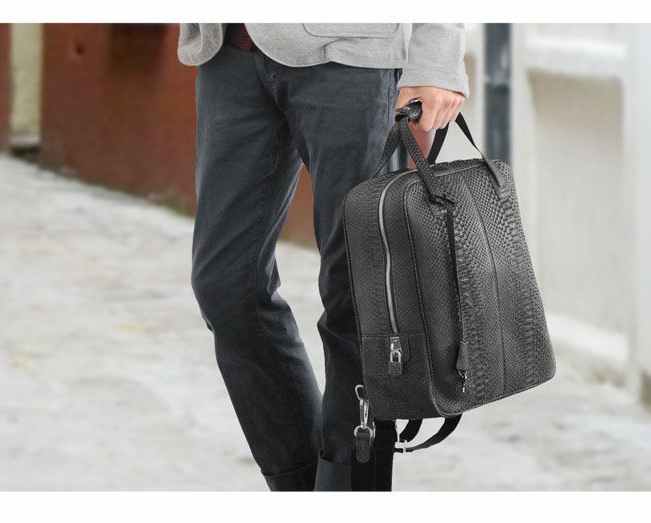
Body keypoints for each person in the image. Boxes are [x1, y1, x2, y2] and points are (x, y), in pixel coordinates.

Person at [177, 23, 468, 491]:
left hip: (351, 57)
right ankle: (306, 490)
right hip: (229, 50)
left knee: (359, 296)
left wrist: (437, 58)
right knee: (225, 287)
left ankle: (349, 486)